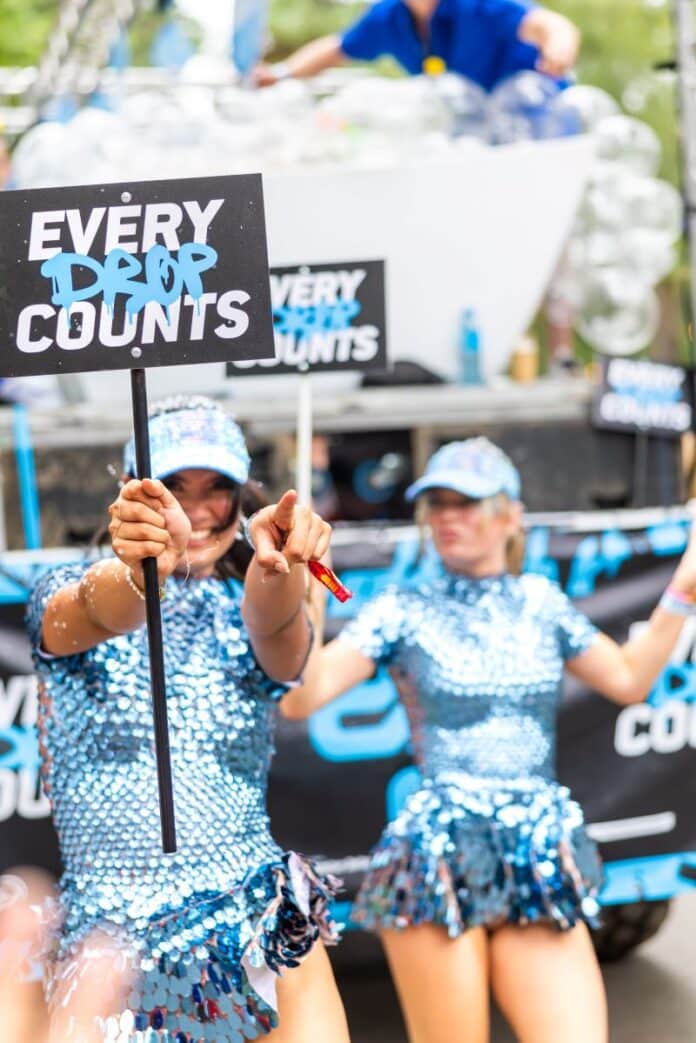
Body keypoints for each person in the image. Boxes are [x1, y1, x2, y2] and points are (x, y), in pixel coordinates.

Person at [282, 437, 696, 1043]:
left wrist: (685, 585)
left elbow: (631, 680)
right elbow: (304, 695)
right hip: (438, 860)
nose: (448, 517)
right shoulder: (404, 607)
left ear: (510, 516)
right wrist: (307, 582)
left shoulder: (541, 602)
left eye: (466, 503)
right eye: (438, 504)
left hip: (535, 851)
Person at [27, 395, 350, 1043]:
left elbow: (281, 639)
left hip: (259, 928)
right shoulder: (60, 590)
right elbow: (98, 609)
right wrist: (144, 568)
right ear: (129, 494)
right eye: (172, 486)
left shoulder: (252, 597)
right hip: (113, 951)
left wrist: (277, 568)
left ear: (243, 498)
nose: (195, 511)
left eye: (216, 490)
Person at [253, 0, 579, 92]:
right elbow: (336, 49)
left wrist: (558, 50)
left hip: (537, 113)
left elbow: (549, 24)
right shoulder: (389, 16)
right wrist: (281, 74)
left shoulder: (478, 5)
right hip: (473, 131)